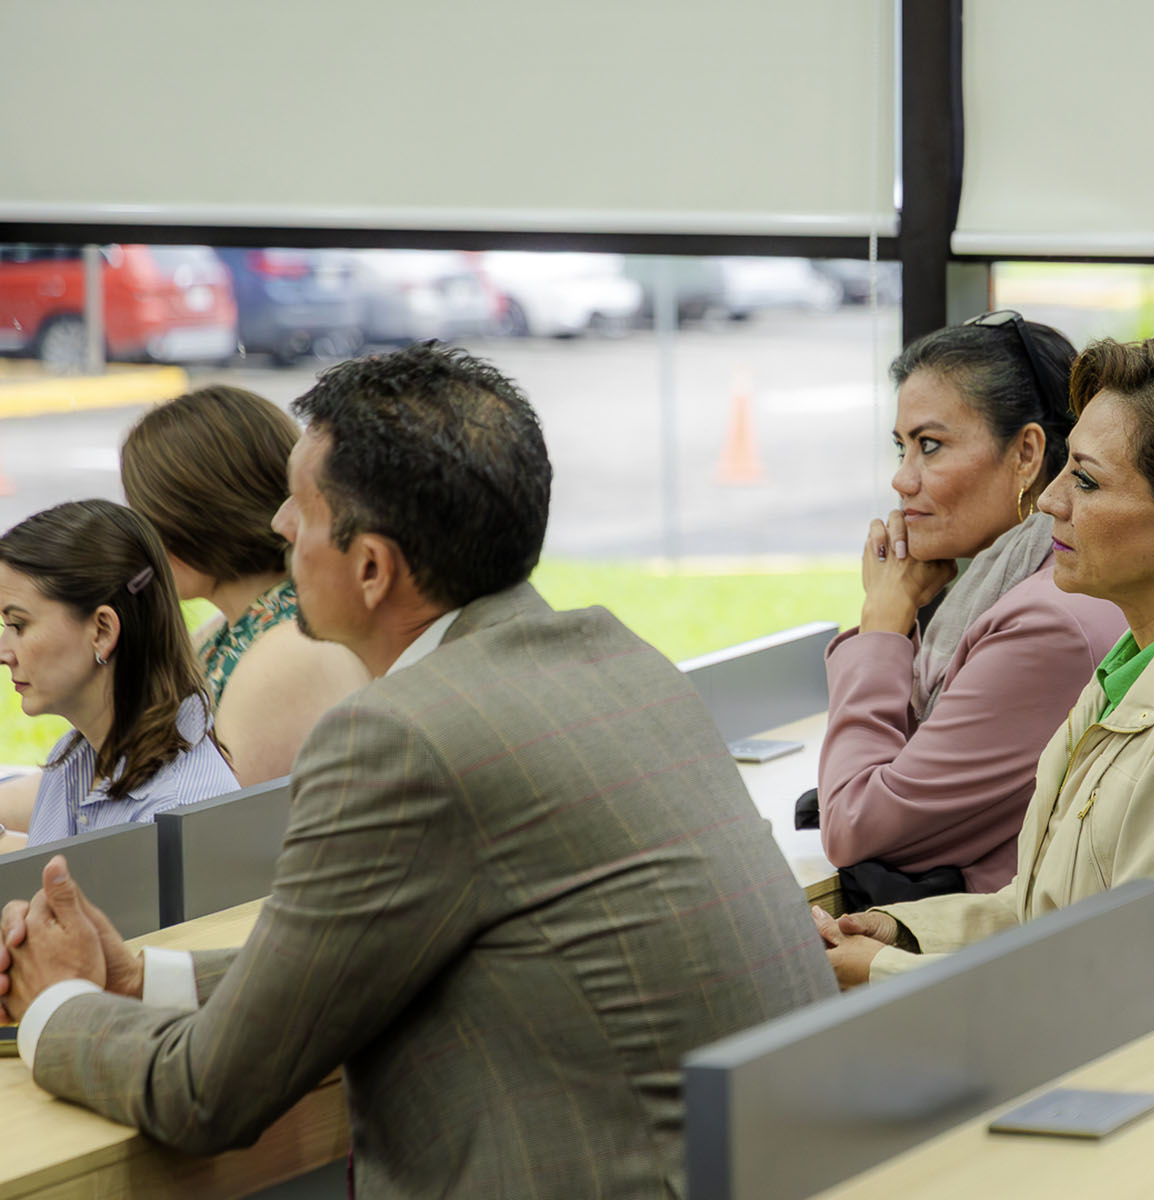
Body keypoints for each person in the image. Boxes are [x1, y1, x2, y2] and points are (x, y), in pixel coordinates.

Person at [0, 343, 835, 1197]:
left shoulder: (399, 738)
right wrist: (144, 978)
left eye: (301, 510)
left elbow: (207, 1096)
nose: (279, 527)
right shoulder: (621, 659)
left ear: (371, 568)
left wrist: (58, 1005)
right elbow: (343, 958)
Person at [815, 338, 1154, 986]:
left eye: (1088, 481)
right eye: (1066, 470)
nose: (1050, 501)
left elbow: (1130, 977)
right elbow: (1051, 908)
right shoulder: (1136, 664)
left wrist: (884, 970)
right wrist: (907, 930)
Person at [820, 312, 1125, 901]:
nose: (903, 481)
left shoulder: (1048, 622)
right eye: (902, 448)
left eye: (930, 446)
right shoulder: (1030, 585)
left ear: (1026, 455)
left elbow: (854, 823)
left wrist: (883, 624)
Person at [121, 385, 369, 785]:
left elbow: (210, 830)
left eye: (145, 515)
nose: (141, 540)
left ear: (193, 516)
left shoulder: (288, 651)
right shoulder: (235, 630)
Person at [0, 501, 239, 844]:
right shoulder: (75, 759)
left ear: (102, 631)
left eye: (18, 625)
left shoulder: (176, 812)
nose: (3, 653)